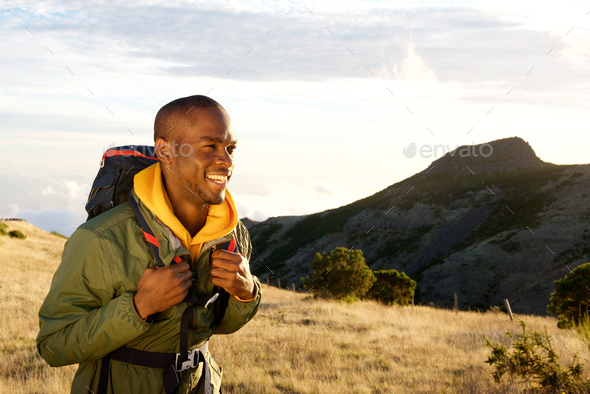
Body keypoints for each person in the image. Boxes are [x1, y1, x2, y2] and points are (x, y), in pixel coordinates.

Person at [36, 95, 262, 394]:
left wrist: (246, 293)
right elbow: (54, 347)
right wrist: (137, 308)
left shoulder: (233, 235)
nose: (228, 161)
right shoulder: (100, 238)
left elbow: (219, 326)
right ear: (165, 151)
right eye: (210, 146)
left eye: (230, 148)